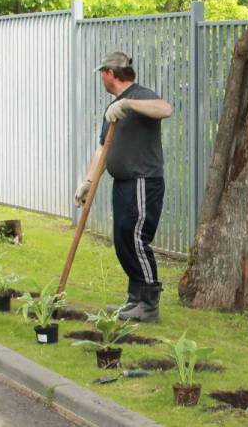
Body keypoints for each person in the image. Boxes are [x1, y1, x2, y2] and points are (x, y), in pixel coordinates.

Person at [74, 51, 172, 322]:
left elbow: (166, 109)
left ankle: (149, 304)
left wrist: (129, 104)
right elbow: (103, 149)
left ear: (109, 73)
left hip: (143, 181)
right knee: (122, 241)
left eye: (102, 75)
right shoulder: (112, 108)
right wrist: (88, 181)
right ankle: (135, 300)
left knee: (136, 238)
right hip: (123, 183)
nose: (102, 80)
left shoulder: (139, 96)